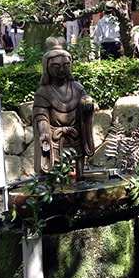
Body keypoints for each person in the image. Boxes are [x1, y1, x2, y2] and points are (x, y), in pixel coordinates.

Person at [32, 37, 95, 177]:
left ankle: (80, 176)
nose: (61, 70)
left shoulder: (77, 88)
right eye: (56, 66)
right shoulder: (43, 92)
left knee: (79, 157)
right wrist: (43, 131)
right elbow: (40, 115)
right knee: (55, 164)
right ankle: (55, 182)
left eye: (66, 65)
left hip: (76, 133)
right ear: (47, 67)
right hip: (54, 135)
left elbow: (85, 101)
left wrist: (87, 105)